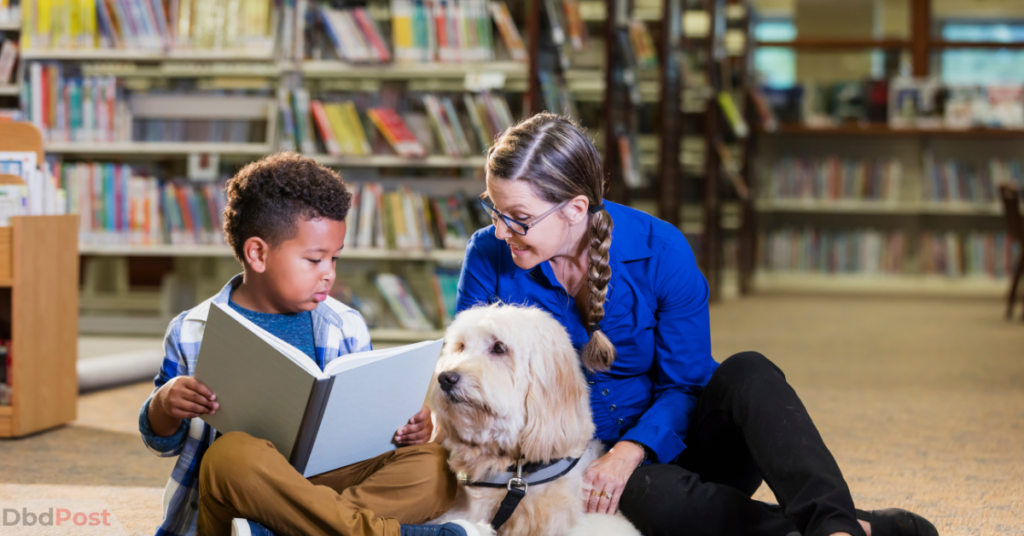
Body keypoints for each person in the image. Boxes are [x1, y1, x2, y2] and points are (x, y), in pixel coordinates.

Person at [401, 113, 939, 536]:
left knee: (749, 371)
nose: (499, 231)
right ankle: (856, 530)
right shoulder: (486, 255)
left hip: (676, 442)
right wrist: (432, 414)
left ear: (575, 209)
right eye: (492, 210)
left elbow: (685, 383)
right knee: (645, 498)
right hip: (576, 461)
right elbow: (466, 362)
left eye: (516, 217)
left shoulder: (661, 250)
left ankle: (832, 519)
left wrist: (629, 451)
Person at [138, 153, 481, 536]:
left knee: (435, 467)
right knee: (230, 455)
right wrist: (165, 403)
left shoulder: (346, 326)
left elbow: (365, 433)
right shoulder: (192, 330)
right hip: (238, 490)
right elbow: (162, 443)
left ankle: (270, 532)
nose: (329, 275)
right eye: (315, 260)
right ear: (257, 254)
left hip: (325, 486)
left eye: (335, 259)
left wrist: (408, 424)